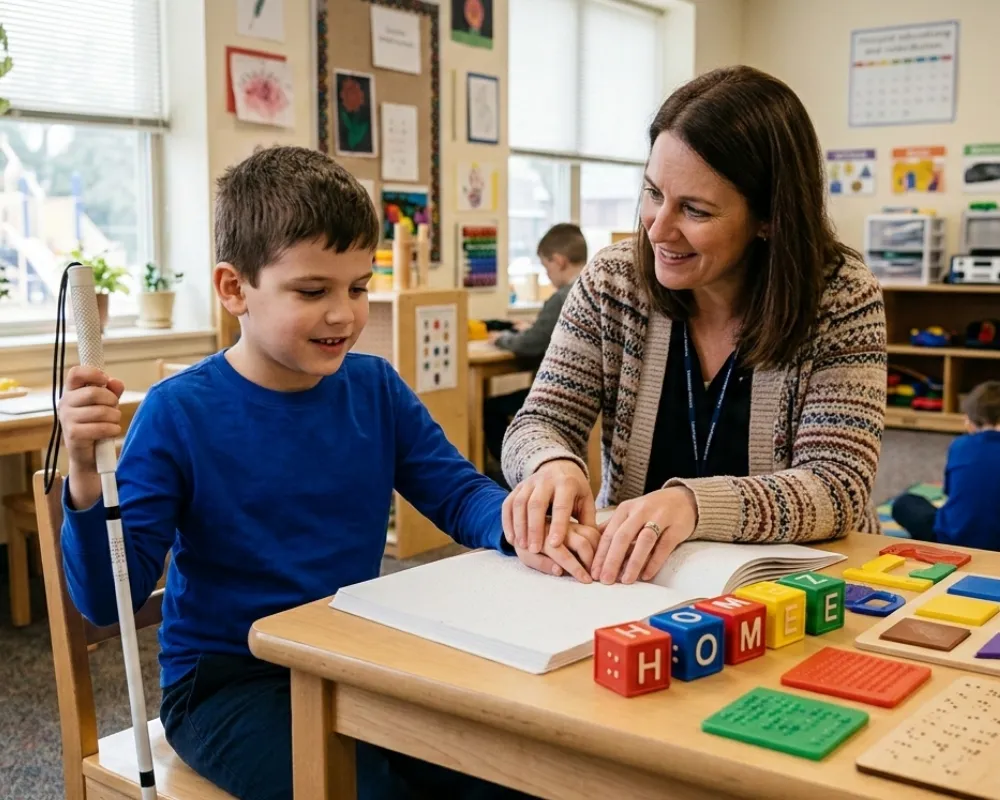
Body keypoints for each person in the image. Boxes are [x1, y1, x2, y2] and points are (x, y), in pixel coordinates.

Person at [56, 146, 597, 800]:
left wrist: (527, 526)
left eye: (358, 287)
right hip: (229, 686)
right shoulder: (178, 413)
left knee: (502, 771)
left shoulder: (374, 387)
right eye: (313, 291)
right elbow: (107, 599)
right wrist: (84, 473)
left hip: (350, 657)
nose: (343, 313)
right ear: (234, 289)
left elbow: (458, 495)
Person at [499, 65, 888, 585]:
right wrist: (551, 464)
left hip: (803, 584)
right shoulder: (613, 282)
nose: (658, 229)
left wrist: (692, 505)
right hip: (642, 581)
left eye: (695, 211)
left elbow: (837, 487)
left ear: (769, 218)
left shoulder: (839, 296)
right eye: (653, 193)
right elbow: (538, 422)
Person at [483, 224, 587, 478]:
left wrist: (501, 338)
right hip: (584, 393)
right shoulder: (589, 288)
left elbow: (529, 344)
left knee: (490, 408)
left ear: (559, 261)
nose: (547, 274)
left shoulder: (562, 297)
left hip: (558, 394)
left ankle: (510, 476)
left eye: (546, 266)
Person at [892, 381, 1000, 549]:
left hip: (952, 539)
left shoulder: (960, 445)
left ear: (971, 419)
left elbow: (950, 493)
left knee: (905, 503)